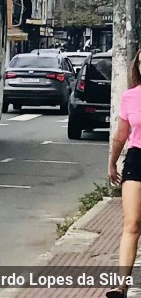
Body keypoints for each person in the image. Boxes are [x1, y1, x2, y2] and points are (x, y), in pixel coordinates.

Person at [106, 50, 141, 298]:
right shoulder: (130, 96)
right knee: (132, 224)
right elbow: (121, 135)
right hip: (137, 159)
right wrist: (112, 162)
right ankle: (121, 286)